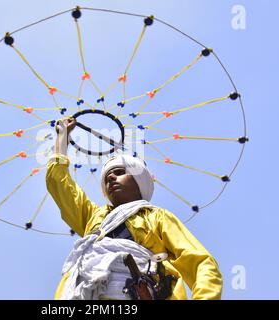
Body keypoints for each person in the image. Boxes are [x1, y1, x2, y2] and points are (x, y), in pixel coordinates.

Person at [46, 117, 223, 300]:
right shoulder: (93, 217)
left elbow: (200, 262)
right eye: (107, 177)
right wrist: (62, 139)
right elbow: (59, 185)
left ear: (140, 182)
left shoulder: (156, 216)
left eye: (120, 173)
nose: (111, 178)